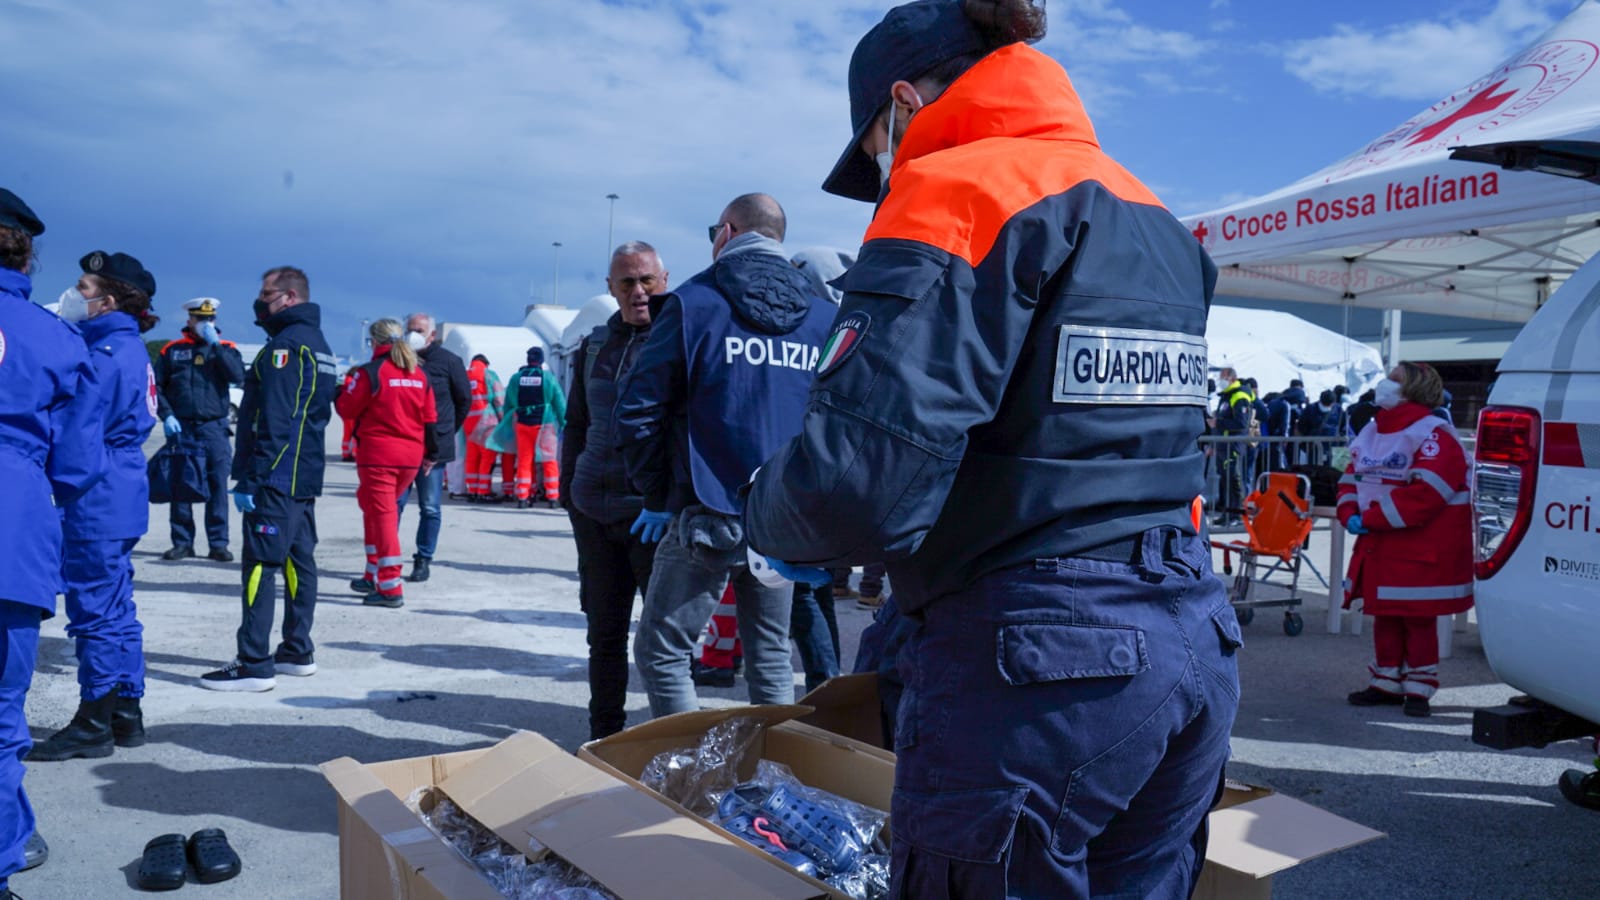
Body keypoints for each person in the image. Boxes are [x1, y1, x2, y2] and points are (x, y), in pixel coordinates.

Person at [744, 2, 1239, 895]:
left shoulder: (958, 191)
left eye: (874, 147)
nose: (883, 168)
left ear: (904, 103)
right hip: (1190, 633)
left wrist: (767, 512)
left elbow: (854, 485)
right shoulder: (1153, 216)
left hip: (1041, 664)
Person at [616, 192, 832, 719]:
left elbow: (638, 411)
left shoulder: (694, 304)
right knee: (771, 654)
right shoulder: (823, 315)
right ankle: (773, 764)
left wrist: (659, 494)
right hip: (782, 513)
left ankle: (693, 764)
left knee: (662, 651)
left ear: (728, 233)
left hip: (708, 506)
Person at [0, 190, 107, 899]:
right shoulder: (58, 339)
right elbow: (74, 465)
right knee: (2, 713)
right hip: (11, 531)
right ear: (26, 254)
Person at [28, 251, 161, 762]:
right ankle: (125, 711)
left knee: (94, 612)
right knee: (117, 606)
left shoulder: (103, 354)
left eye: (83, 287)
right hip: (120, 487)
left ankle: (93, 721)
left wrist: (52, 491)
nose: (72, 294)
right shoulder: (127, 347)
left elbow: (76, 437)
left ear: (106, 302)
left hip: (95, 495)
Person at [200, 266, 337, 691]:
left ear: (289, 297)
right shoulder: (318, 344)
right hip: (303, 474)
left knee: (260, 566)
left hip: (276, 477)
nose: (260, 301)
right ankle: (296, 650)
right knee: (299, 563)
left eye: (266, 294)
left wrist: (252, 478)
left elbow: (276, 421)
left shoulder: (286, 347)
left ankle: (253, 661)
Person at [562, 241, 669, 739]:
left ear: (664, 281)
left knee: (662, 644)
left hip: (652, 519)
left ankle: (668, 741)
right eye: (627, 282)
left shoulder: (679, 342)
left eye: (647, 280)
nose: (638, 291)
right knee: (603, 636)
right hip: (595, 514)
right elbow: (576, 423)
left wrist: (670, 501)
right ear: (611, 287)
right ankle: (604, 737)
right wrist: (570, 493)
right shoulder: (593, 346)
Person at [1340, 361, 1473, 718]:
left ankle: (1419, 687)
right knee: (1385, 615)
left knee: (1417, 619)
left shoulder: (1435, 434)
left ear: (1413, 388)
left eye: (1394, 380)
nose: (1385, 384)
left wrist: (1370, 518)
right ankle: (1385, 681)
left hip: (1416, 547)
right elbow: (1351, 476)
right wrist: (1348, 511)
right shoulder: (1372, 430)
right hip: (1381, 543)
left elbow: (1427, 493)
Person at [339, 319, 438, 609]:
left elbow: (347, 408)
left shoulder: (372, 372)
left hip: (379, 457)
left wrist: (339, 391)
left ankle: (391, 585)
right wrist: (431, 454)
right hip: (410, 458)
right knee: (372, 507)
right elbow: (431, 418)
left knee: (382, 517)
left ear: (374, 341)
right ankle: (373, 573)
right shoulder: (418, 373)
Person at [156, 298, 246, 562]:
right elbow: (157, 387)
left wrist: (215, 346)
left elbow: (237, 376)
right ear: (190, 320)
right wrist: (167, 415)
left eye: (210, 319)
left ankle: (218, 543)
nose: (205, 324)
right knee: (181, 485)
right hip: (182, 427)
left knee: (217, 485)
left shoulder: (226, 348)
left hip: (214, 427)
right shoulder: (172, 350)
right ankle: (183, 542)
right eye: (200, 319)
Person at [396, 313, 470, 583]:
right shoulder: (399, 358)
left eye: (419, 330)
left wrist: (446, 433)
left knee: (429, 507)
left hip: (433, 449)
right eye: (410, 329)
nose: (413, 334)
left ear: (432, 334)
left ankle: (423, 558)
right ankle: (387, 557)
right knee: (395, 505)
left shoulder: (449, 361)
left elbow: (464, 400)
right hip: (403, 444)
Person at [501, 346, 566, 509]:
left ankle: (523, 497)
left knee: (524, 460)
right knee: (549, 461)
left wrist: (507, 422)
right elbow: (559, 403)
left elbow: (508, 403)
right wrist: (565, 423)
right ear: (541, 361)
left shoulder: (516, 378)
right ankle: (553, 497)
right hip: (545, 424)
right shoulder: (548, 378)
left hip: (523, 424)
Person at [463, 354, 508, 502]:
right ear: (486, 364)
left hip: (468, 422)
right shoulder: (489, 374)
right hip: (486, 422)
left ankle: (472, 491)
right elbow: (499, 399)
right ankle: (483, 491)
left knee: (472, 458)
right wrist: (502, 419)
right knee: (487, 458)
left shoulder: (465, 376)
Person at [1214, 366, 1256, 525]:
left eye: (1223, 377)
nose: (1221, 381)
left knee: (1234, 480)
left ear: (1232, 378)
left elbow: (1241, 423)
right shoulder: (1226, 396)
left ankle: (1238, 515)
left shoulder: (1239, 395)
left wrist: (1218, 423)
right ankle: (1227, 513)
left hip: (1233, 445)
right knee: (1225, 480)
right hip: (1223, 445)